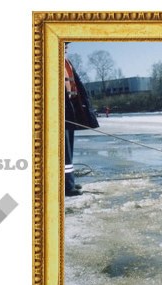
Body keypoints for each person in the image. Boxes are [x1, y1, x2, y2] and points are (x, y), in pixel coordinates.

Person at [64, 42, 99, 196]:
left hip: (69, 109)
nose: (66, 46)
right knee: (62, 151)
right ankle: (66, 186)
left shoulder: (66, 62)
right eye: (64, 43)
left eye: (66, 44)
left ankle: (68, 182)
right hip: (59, 111)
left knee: (68, 150)